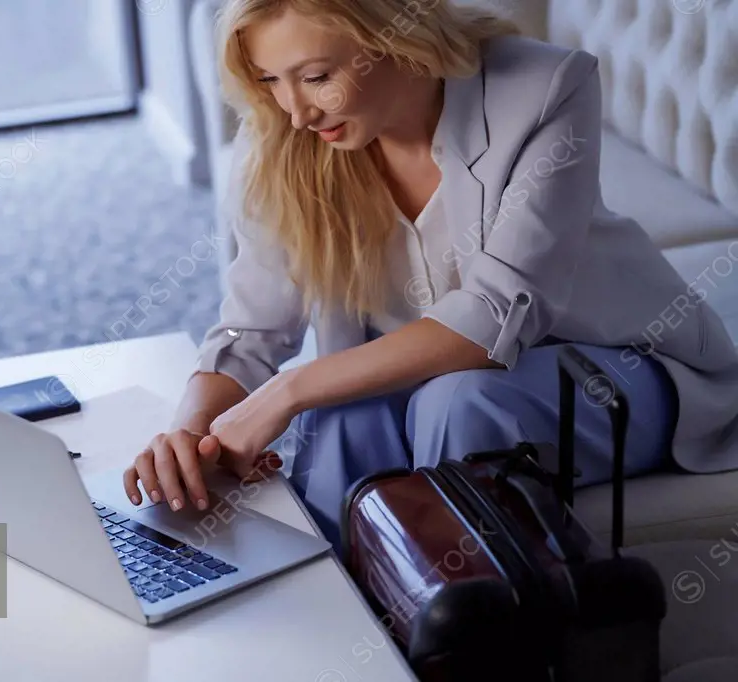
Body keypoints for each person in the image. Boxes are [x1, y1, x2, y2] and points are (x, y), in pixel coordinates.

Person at [122, 0, 738, 551]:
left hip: (617, 366)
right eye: (270, 81)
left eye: (316, 78)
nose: (297, 111)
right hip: (436, 381)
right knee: (340, 421)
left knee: (459, 402)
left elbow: (490, 320)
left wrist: (290, 388)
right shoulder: (287, 134)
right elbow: (249, 332)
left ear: (394, 33)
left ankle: (476, 638)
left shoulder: (545, 88)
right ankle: (339, 633)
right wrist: (188, 436)